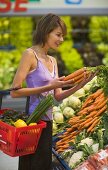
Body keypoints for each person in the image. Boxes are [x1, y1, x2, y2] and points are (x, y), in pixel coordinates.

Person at [11, 13, 96, 170]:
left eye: (62, 36)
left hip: (48, 122)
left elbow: (57, 96)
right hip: (32, 122)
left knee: (44, 164)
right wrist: (48, 86)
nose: (61, 40)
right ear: (45, 31)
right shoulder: (30, 54)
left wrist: (80, 84)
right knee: (31, 165)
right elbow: (14, 92)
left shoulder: (53, 60)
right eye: (58, 35)